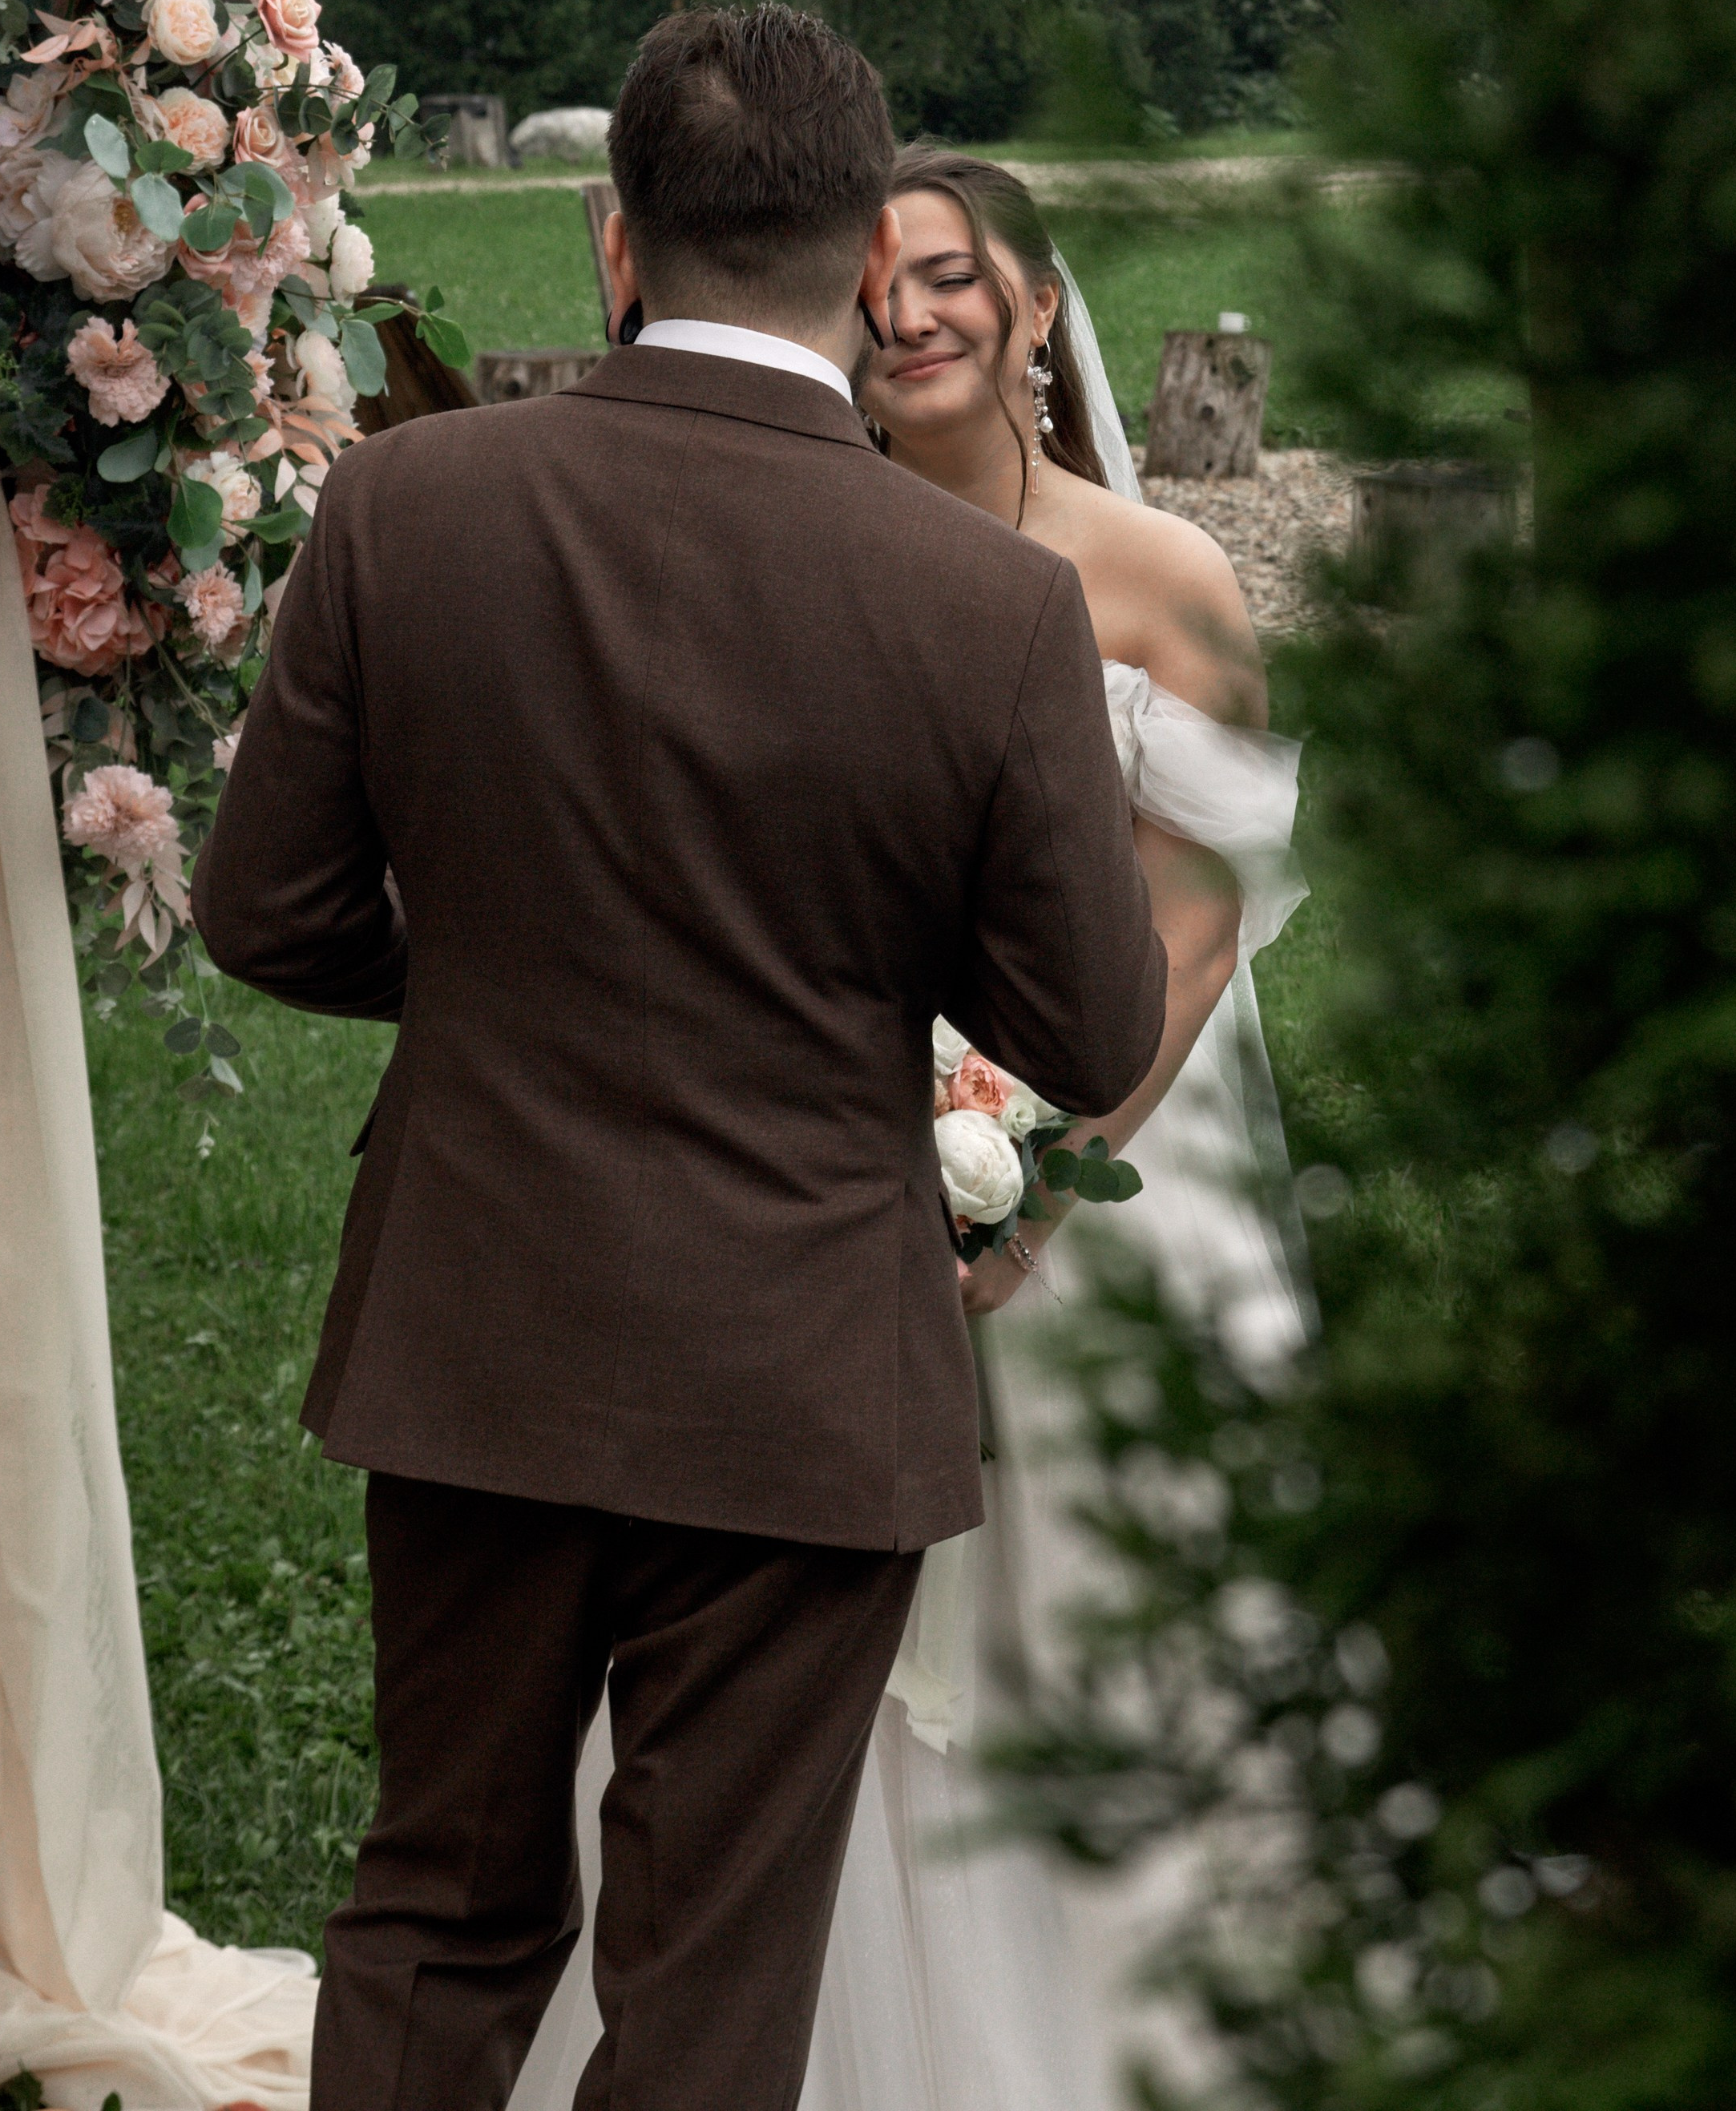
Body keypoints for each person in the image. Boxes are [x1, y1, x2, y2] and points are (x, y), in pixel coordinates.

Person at [193, 13, 1169, 2111]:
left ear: (613, 236)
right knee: (710, 1979)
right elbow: (1093, 1028)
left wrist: (497, 980)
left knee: (437, 1904)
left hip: (477, 1321)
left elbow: (263, 912)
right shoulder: (993, 605)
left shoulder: (404, 507)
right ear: (869, 254)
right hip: (802, 1364)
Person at [512, 146, 1311, 2111]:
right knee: (780, 1625)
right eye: (878, 279)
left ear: (1037, 309)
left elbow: (1193, 921)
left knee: (1095, 1602)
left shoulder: (1159, 576)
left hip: (1107, 1164)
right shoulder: (795, 548)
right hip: (811, 1169)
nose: (911, 311)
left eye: (953, 274)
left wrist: (1020, 1185)